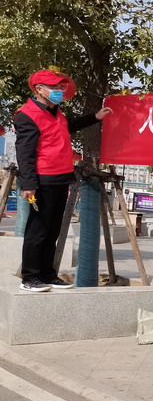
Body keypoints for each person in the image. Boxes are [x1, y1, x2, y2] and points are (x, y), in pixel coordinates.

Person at [15, 69, 112, 292]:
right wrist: (28, 184)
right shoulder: (27, 115)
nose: (59, 90)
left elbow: (68, 127)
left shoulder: (56, 113)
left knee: (53, 231)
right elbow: (25, 153)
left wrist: (95, 117)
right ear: (39, 89)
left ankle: (48, 274)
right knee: (38, 230)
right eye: (54, 87)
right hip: (42, 180)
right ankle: (30, 277)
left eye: (60, 87)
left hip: (60, 177)